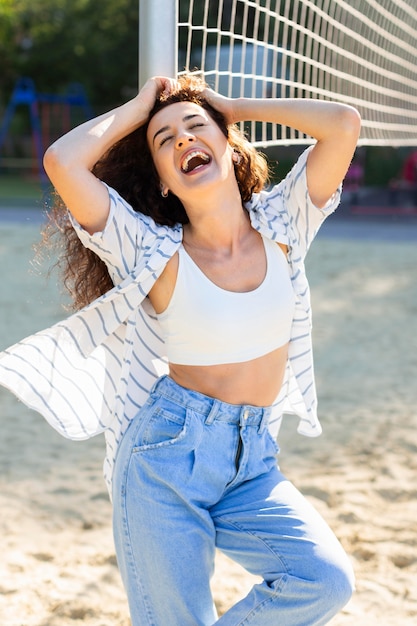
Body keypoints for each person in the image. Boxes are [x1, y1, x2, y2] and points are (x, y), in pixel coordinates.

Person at [0, 74, 361, 625]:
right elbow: (62, 163)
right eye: (164, 142)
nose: (183, 141)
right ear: (164, 182)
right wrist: (141, 108)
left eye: (196, 129)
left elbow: (342, 126)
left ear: (229, 148)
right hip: (165, 462)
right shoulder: (153, 250)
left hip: (253, 459)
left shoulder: (284, 223)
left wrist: (233, 107)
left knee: (323, 580)